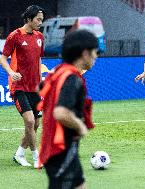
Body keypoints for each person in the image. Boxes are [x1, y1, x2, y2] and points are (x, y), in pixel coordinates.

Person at [38, 30, 98, 189]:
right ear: (85, 53)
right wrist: (80, 126)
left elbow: (41, 89)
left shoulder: (59, 71)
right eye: (94, 52)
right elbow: (61, 112)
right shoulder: (72, 78)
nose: (96, 56)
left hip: (60, 147)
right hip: (61, 149)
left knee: (80, 185)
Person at [0, 5, 45, 168]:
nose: (41, 22)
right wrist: (11, 72)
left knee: (36, 124)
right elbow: (3, 58)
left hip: (34, 87)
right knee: (30, 121)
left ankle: (19, 154)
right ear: (29, 19)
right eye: (38, 19)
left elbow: (38, 60)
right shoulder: (15, 36)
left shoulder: (40, 36)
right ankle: (36, 158)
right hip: (18, 86)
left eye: (42, 19)